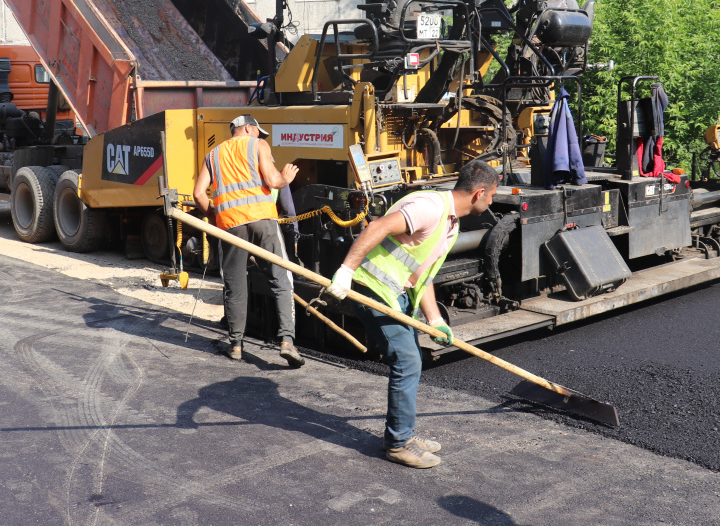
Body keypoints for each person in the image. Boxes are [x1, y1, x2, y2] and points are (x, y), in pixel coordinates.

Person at [321, 160, 500, 469]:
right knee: (407, 362)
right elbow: (376, 227)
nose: (492, 201)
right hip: (371, 286)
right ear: (479, 192)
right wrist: (345, 272)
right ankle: (398, 444)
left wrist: (435, 320)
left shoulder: (449, 221)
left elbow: (423, 273)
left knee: (411, 359)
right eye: (492, 195)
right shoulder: (429, 207)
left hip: (395, 292)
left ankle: (404, 433)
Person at [193, 115, 304, 365]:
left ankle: (235, 345)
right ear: (248, 128)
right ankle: (287, 341)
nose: (260, 137)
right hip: (262, 221)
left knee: (235, 285)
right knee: (281, 279)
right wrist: (286, 178)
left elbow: (199, 194)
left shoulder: (212, 155)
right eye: (258, 132)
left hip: (230, 225)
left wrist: (214, 215)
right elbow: (273, 181)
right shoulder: (257, 146)